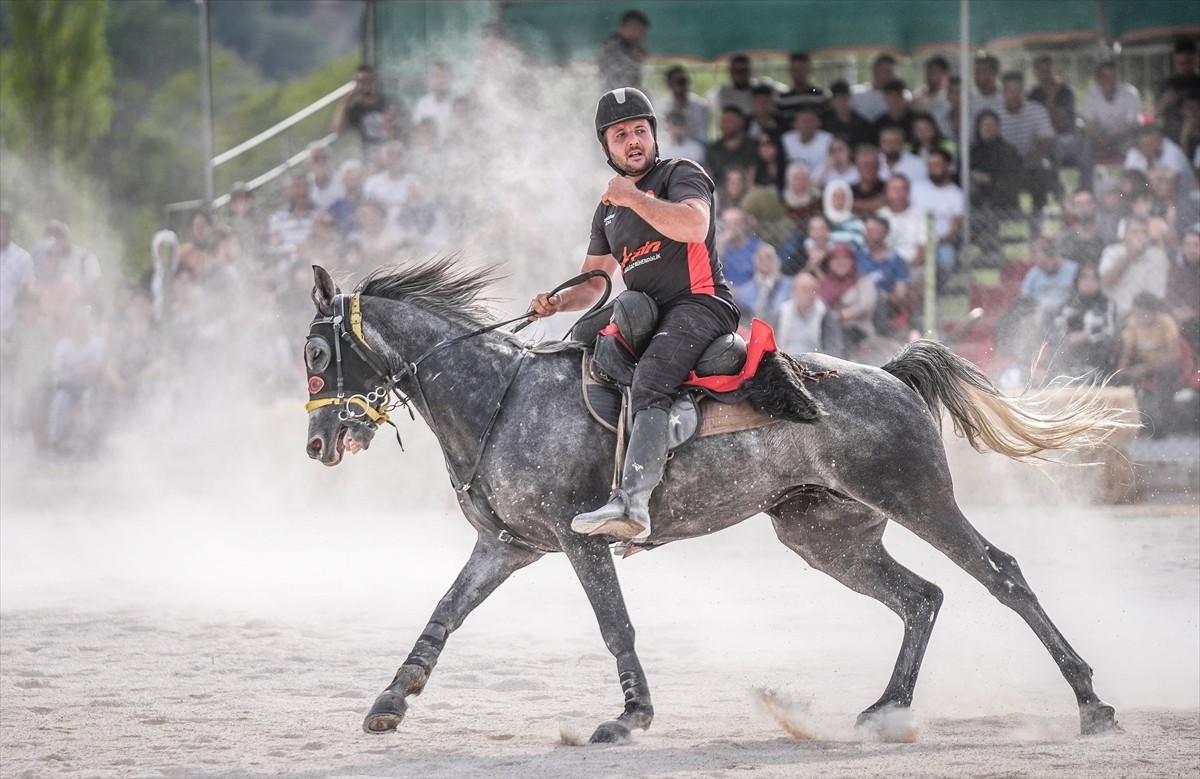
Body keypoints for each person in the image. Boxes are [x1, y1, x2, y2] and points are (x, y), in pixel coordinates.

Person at [529, 87, 738, 544]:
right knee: (581, 348)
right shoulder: (606, 211)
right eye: (620, 134)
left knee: (651, 379)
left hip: (701, 304)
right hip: (647, 314)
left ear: (654, 136)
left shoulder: (681, 173)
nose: (633, 140)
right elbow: (594, 283)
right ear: (607, 148)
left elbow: (693, 225)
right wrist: (557, 302)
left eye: (640, 130)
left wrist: (633, 197)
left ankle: (634, 504)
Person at [1116, 291, 1182, 437]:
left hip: (1163, 363)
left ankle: (1162, 424)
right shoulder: (1133, 323)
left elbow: (1174, 354)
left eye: (1143, 314)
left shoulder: (1166, 322)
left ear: (1154, 313)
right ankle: (1131, 423)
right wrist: (1122, 370)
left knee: (1168, 374)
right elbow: (1126, 351)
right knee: (1122, 379)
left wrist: (1146, 368)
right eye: (1136, 314)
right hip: (1143, 362)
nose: (1139, 319)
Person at [998, 71, 1058, 220]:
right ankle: (1007, 216)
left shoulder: (1037, 110)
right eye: (1010, 90)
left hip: (1031, 161)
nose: (1014, 94)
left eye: (1018, 89)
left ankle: (1039, 217)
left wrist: (1028, 162)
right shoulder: (995, 112)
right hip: (1004, 163)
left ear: (1023, 90)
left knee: (1043, 169)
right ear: (1003, 92)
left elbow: (1045, 143)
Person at [1028, 55, 1094, 191]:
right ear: (1037, 74)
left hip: (1069, 139)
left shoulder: (1065, 92)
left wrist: (1051, 98)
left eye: (1048, 70)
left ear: (1055, 71)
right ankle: (1057, 190)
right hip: (1046, 142)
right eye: (1042, 71)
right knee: (1050, 145)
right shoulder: (1033, 95)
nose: (1046, 75)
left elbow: (1059, 120)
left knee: (1086, 145)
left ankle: (1085, 190)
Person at [1050, 263, 1118, 379]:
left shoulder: (1106, 304)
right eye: (1084, 277)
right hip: (1069, 352)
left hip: (1097, 354)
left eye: (1093, 278)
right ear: (1077, 281)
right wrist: (1068, 339)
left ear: (1099, 282)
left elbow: (1110, 332)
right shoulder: (1068, 305)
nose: (1089, 282)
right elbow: (1055, 330)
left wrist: (1086, 336)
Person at [911, 148, 964, 288]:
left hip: (941, 243)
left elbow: (955, 228)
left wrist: (936, 241)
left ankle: (937, 295)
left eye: (937, 164)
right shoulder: (916, 189)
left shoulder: (957, 195)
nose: (932, 168)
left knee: (946, 260)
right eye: (930, 165)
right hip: (914, 241)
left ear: (948, 166)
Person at [1098, 216, 1170, 318]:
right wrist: (1129, 258)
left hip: (1144, 318)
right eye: (1135, 233)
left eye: (1144, 233)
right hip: (1114, 315)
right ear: (1124, 235)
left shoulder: (1158, 259)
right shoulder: (1111, 252)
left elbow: (1156, 297)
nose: (1140, 237)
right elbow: (1106, 284)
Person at [818, 242, 878, 354]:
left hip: (858, 331)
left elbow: (865, 306)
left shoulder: (863, 282)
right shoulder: (822, 283)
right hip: (827, 332)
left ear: (853, 261)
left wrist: (840, 315)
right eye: (836, 259)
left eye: (846, 258)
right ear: (829, 262)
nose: (841, 263)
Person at [333, 64, 399, 163]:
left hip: (392, 155)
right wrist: (347, 100)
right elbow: (338, 128)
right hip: (369, 159)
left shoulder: (388, 102)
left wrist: (393, 125)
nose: (365, 84)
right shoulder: (357, 110)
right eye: (360, 81)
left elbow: (403, 126)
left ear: (374, 81)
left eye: (368, 80)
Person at [856, 214, 911, 333]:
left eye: (873, 230)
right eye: (867, 230)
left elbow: (900, 295)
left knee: (878, 299)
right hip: (857, 302)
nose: (868, 234)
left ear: (885, 233)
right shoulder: (857, 255)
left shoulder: (898, 261)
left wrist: (879, 295)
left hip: (884, 307)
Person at [1081, 60, 1143, 160]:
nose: (1110, 80)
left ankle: (1129, 175)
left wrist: (1111, 138)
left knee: (1129, 148)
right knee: (1086, 148)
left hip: (1123, 137)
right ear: (1098, 79)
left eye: (1112, 76)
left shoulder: (1130, 93)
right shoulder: (1090, 95)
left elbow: (1132, 126)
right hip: (1098, 138)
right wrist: (1100, 140)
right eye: (1105, 76)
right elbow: (1089, 123)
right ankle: (1086, 176)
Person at [774, 271, 844, 357]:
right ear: (794, 291)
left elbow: (833, 346)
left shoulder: (824, 313)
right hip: (785, 360)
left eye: (813, 290)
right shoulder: (783, 312)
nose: (810, 294)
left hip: (815, 363)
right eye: (805, 289)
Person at [1155, 39, 1200, 145]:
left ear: (1196, 58)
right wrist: (1165, 102)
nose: (1183, 66)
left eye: (1187, 62)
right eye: (1180, 63)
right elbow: (1155, 114)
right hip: (1171, 136)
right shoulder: (1167, 84)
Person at [877, 174, 927, 267]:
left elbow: (925, 248)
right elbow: (874, 248)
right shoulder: (878, 217)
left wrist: (909, 267)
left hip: (913, 267)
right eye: (894, 189)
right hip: (884, 268)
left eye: (902, 189)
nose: (898, 193)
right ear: (886, 192)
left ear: (908, 192)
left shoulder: (920, 216)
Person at [0, 209, 34, 345]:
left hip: (11, 326)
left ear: (12, 229)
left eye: (6, 226)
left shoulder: (22, 258)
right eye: (0, 226)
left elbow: (25, 294)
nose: (3, 230)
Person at [704, 106, 758, 188]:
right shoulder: (713, 149)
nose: (726, 124)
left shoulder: (752, 147)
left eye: (730, 121)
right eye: (723, 121)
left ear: (741, 122)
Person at [1167, 228, 1200, 356]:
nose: (1192, 249)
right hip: (1179, 318)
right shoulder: (1175, 271)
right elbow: (1168, 296)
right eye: (1187, 244)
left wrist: (1193, 313)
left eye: (1196, 245)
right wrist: (1175, 311)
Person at [597, 9, 649, 91]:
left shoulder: (634, 48)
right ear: (622, 28)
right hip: (615, 94)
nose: (637, 34)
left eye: (641, 30)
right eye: (634, 29)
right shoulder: (612, 48)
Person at [267, 175, 316, 260]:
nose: (301, 192)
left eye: (304, 187)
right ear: (288, 191)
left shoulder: (319, 212)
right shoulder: (278, 217)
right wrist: (293, 251)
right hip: (286, 261)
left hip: (314, 259)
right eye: (296, 187)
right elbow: (273, 246)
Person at [1056, 189, 1109, 267]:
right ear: (1072, 208)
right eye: (1079, 204)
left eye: (1088, 203)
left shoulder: (1106, 235)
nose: (1084, 208)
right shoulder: (1065, 239)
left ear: (1095, 205)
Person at [658, 65, 710, 145]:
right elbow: (660, 135)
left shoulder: (700, 106)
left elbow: (703, 136)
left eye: (683, 81)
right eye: (677, 82)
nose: (681, 86)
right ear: (669, 84)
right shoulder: (661, 107)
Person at [776, 52, 826, 125]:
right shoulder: (783, 98)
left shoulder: (819, 95)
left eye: (801, 69)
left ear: (809, 70)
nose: (798, 73)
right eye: (795, 69)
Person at [412, 61, 457, 142]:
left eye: (443, 76)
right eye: (435, 76)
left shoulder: (458, 102)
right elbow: (418, 133)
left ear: (451, 78)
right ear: (429, 79)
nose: (439, 80)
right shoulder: (422, 104)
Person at [821, 80, 873, 149]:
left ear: (850, 98)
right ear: (832, 101)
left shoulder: (863, 124)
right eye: (837, 99)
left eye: (844, 98)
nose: (841, 103)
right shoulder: (824, 124)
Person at [780, 105, 832, 174]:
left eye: (810, 121)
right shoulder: (786, 140)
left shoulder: (828, 140)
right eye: (802, 121)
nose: (806, 124)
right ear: (795, 124)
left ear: (818, 123)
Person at [852, 54, 898, 123]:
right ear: (875, 71)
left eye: (892, 73)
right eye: (887, 72)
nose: (890, 76)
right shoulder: (857, 94)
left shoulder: (900, 97)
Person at [913, 55, 952, 134]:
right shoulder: (918, 96)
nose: (931, 76)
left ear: (945, 75)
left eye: (934, 72)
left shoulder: (950, 97)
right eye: (928, 72)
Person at [871, 79, 919, 144]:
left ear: (903, 97)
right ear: (885, 98)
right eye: (891, 96)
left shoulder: (916, 120)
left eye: (898, 95)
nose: (894, 100)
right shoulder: (879, 123)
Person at [711, 54, 757, 118]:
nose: (741, 75)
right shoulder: (725, 91)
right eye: (737, 71)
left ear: (750, 71)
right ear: (730, 72)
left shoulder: (759, 89)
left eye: (744, 71)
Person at [781, 161, 821, 230]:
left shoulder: (817, 197)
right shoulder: (783, 200)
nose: (801, 182)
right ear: (790, 180)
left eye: (804, 178)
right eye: (797, 179)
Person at [849, 144, 886, 216]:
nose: (868, 169)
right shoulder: (849, 189)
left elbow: (884, 203)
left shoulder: (887, 187)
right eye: (864, 165)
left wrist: (851, 204)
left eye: (872, 165)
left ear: (879, 167)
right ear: (857, 167)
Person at [305, 143, 343, 211]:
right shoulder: (305, 184)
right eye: (316, 159)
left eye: (324, 158)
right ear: (308, 163)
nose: (320, 162)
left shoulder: (341, 180)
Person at [970, 54, 1004, 121]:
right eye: (976, 71)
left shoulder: (1005, 98)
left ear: (994, 72)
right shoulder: (970, 99)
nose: (978, 75)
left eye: (982, 70)